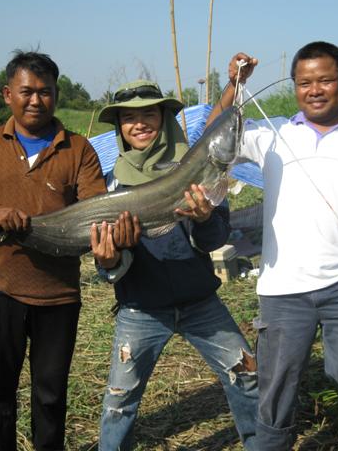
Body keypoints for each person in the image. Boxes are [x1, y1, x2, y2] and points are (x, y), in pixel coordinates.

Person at [207, 42, 338, 450]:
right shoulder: (273, 132)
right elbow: (216, 136)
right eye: (304, 82)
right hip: (284, 290)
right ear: (294, 87)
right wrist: (233, 86)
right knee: (276, 388)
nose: (314, 89)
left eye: (325, 80)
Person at [0, 51, 111, 450]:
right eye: (26, 92)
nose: (36, 100)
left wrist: (110, 240)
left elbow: (96, 209)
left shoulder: (79, 149)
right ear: (7, 94)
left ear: (57, 94)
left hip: (59, 295)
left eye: (45, 92)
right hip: (0, 288)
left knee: (50, 395)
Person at [91, 80, 259, 450]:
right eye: (128, 118)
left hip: (200, 303)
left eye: (148, 114)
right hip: (140, 309)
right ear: (119, 128)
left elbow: (214, 240)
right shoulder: (110, 186)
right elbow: (107, 267)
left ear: (165, 119)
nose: (139, 124)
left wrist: (203, 218)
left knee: (248, 375)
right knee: (119, 402)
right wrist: (110, 258)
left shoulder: (200, 167)